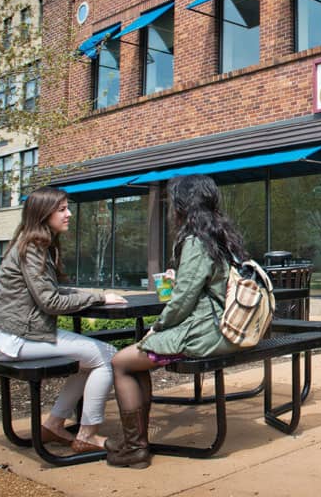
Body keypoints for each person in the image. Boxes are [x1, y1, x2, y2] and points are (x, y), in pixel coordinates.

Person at [105, 174, 245, 469]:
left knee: (120, 362)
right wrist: (179, 279)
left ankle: (134, 447)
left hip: (205, 332)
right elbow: (205, 283)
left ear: (183, 204)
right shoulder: (220, 236)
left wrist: (158, 327)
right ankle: (137, 443)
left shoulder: (196, 240)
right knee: (133, 362)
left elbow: (182, 302)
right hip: (224, 328)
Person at [0, 186, 127, 453]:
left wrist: (97, 295)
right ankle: (86, 435)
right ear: (43, 213)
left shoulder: (36, 242)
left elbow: (51, 291)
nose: (69, 214)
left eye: (67, 208)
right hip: (15, 337)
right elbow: (50, 302)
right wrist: (99, 298)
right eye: (62, 209)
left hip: (12, 333)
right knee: (108, 356)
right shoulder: (33, 247)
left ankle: (54, 425)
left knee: (90, 361)